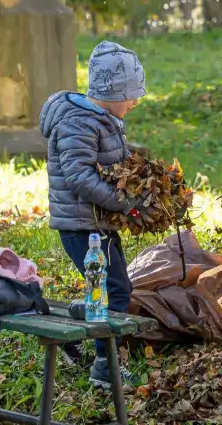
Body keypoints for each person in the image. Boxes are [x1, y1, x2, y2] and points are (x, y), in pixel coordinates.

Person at [40, 41, 153, 389]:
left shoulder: (102, 119)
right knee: (115, 290)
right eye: (131, 95)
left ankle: (77, 327)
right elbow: (79, 176)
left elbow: (107, 161)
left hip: (95, 222)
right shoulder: (79, 123)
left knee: (113, 286)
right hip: (81, 224)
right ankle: (105, 367)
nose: (135, 101)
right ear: (109, 92)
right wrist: (125, 203)